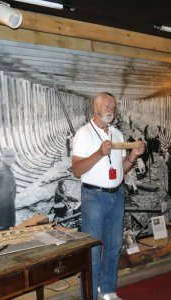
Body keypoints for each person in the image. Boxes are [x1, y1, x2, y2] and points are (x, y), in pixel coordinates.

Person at [72, 92, 145, 300]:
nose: (110, 110)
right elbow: (77, 170)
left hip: (117, 194)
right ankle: (90, 296)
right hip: (94, 196)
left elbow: (121, 169)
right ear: (95, 108)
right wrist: (98, 153)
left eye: (113, 106)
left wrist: (133, 156)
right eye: (106, 106)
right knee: (93, 250)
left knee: (113, 246)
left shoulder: (118, 135)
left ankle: (108, 291)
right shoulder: (84, 134)